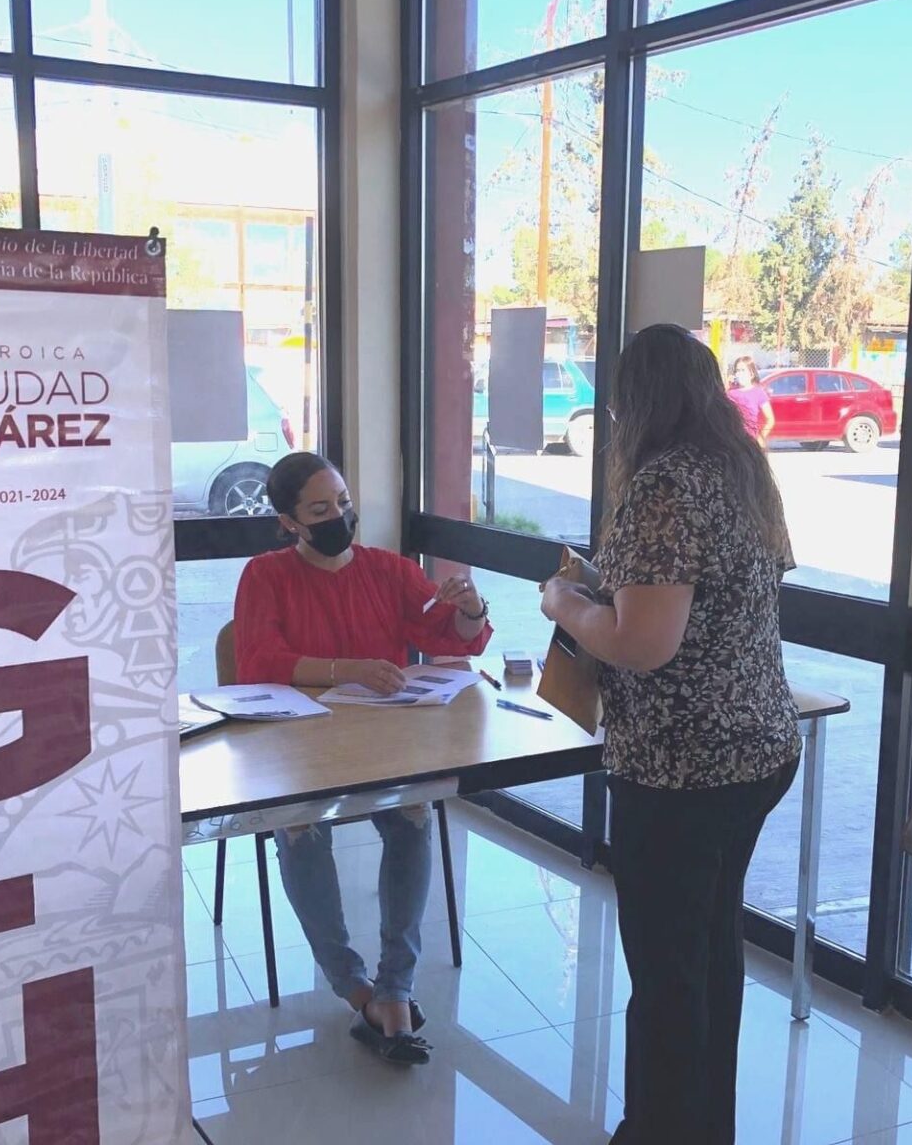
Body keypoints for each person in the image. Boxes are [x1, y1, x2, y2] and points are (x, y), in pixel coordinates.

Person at [541, 324, 800, 1145]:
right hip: (757, 748)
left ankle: (658, 1130)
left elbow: (643, 644)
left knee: (664, 972)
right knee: (711, 952)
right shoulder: (742, 468)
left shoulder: (665, 485)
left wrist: (566, 605)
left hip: (682, 768)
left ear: (638, 403)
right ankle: (703, 1127)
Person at [232, 452, 492, 1065]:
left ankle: (395, 988)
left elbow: (448, 636)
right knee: (299, 829)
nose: (340, 518)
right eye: (320, 510)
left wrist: (469, 607)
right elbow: (257, 662)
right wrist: (346, 669)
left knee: (412, 816)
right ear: (288, 522)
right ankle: (353, 986)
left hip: (382, 741)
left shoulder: (385, 570)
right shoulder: (265, 576)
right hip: (297, 745)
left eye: (344, 504)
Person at [725, 354, 775, 447]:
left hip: (751, 443)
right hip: (734, 442)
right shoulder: (731, 393)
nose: (739, 373)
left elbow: (770, 419)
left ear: (751, 373)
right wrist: (727, 385)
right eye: (737, 370)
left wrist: (761, 437)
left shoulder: (758, 392)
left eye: (743, 370)